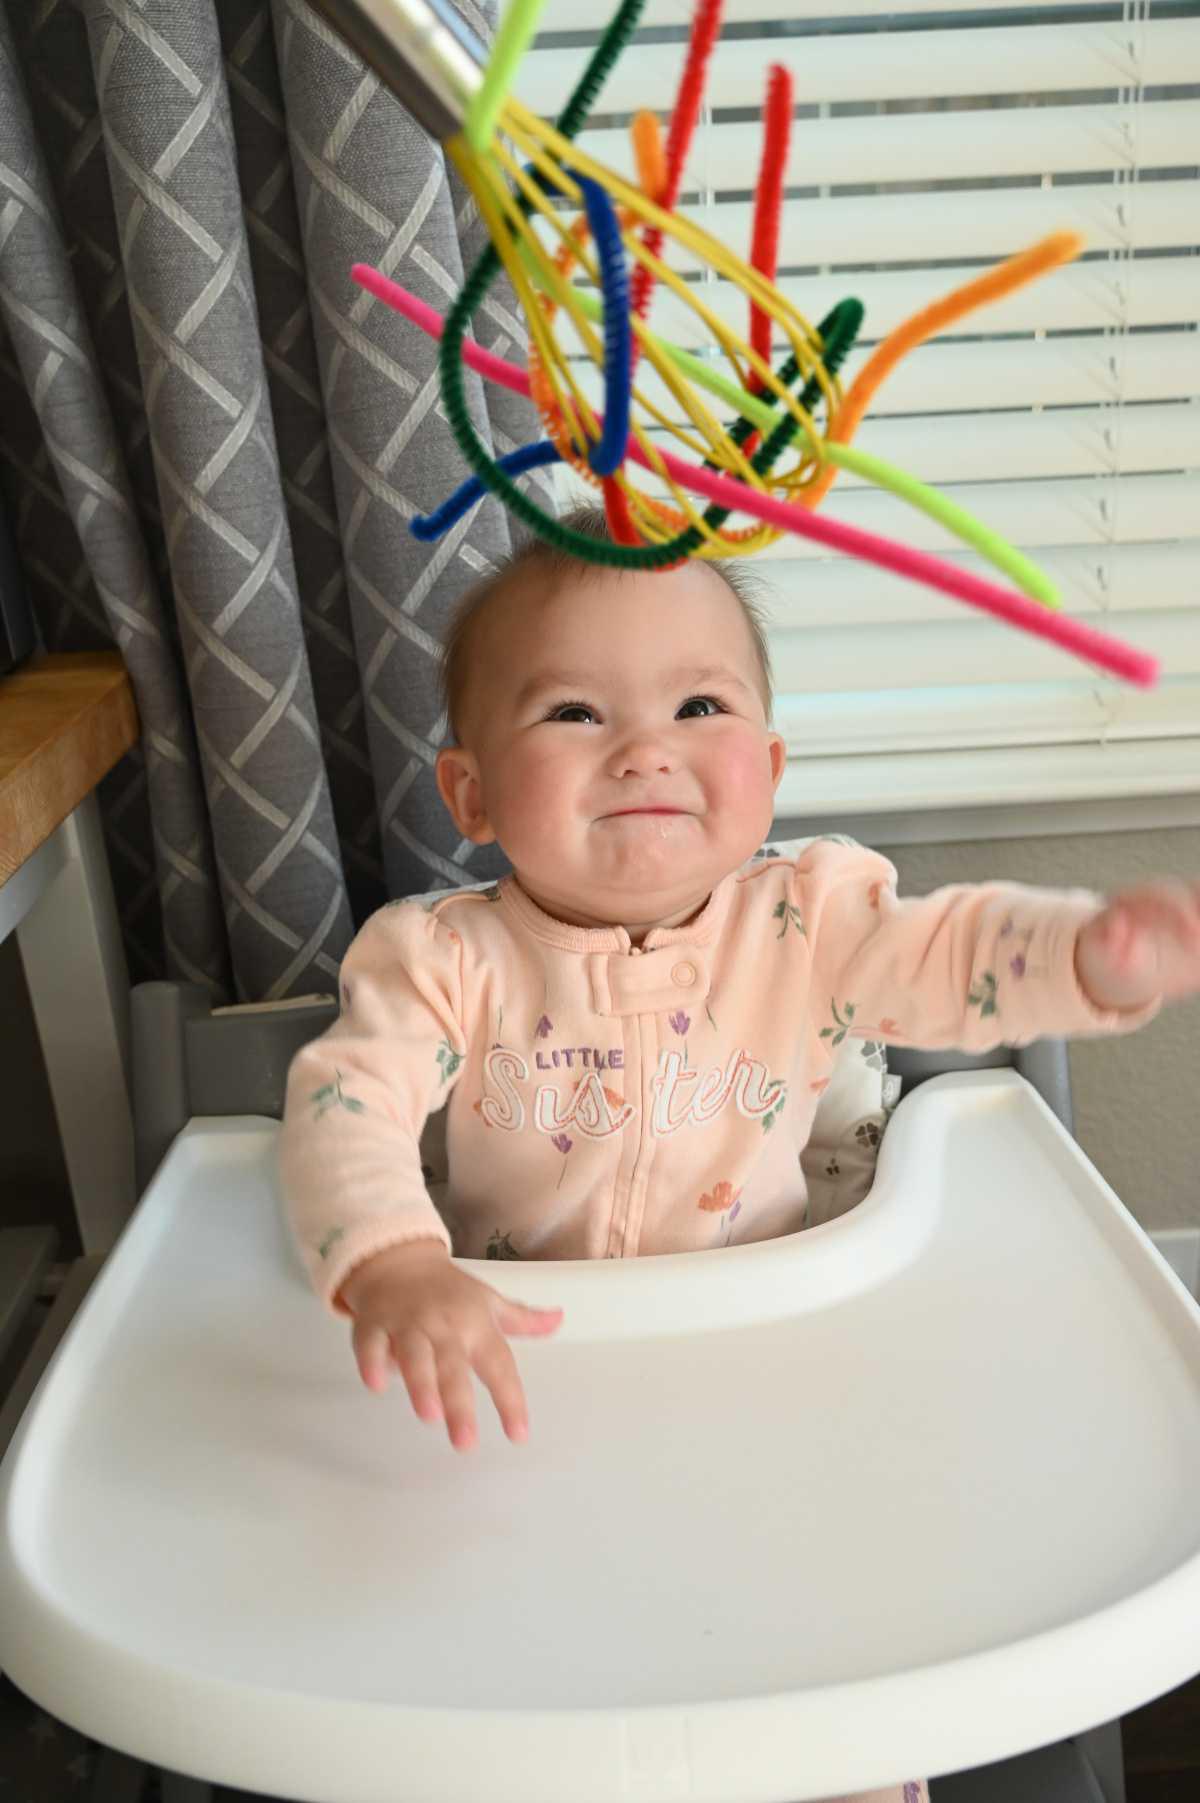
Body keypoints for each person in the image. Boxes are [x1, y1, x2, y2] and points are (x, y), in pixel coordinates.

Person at [279, 503, 1198, 1800]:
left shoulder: (813, 921)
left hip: (766, 1401)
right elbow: (346, 1103)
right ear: (472, 792)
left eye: (699, 707)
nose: (646, 746)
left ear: (766, 770)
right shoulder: (441, 962)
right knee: (504, 1703)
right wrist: (394, 1266)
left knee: (824, 1682)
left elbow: (950, 959)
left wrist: (1081, 958)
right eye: (576, 714)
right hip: (529, 1397)